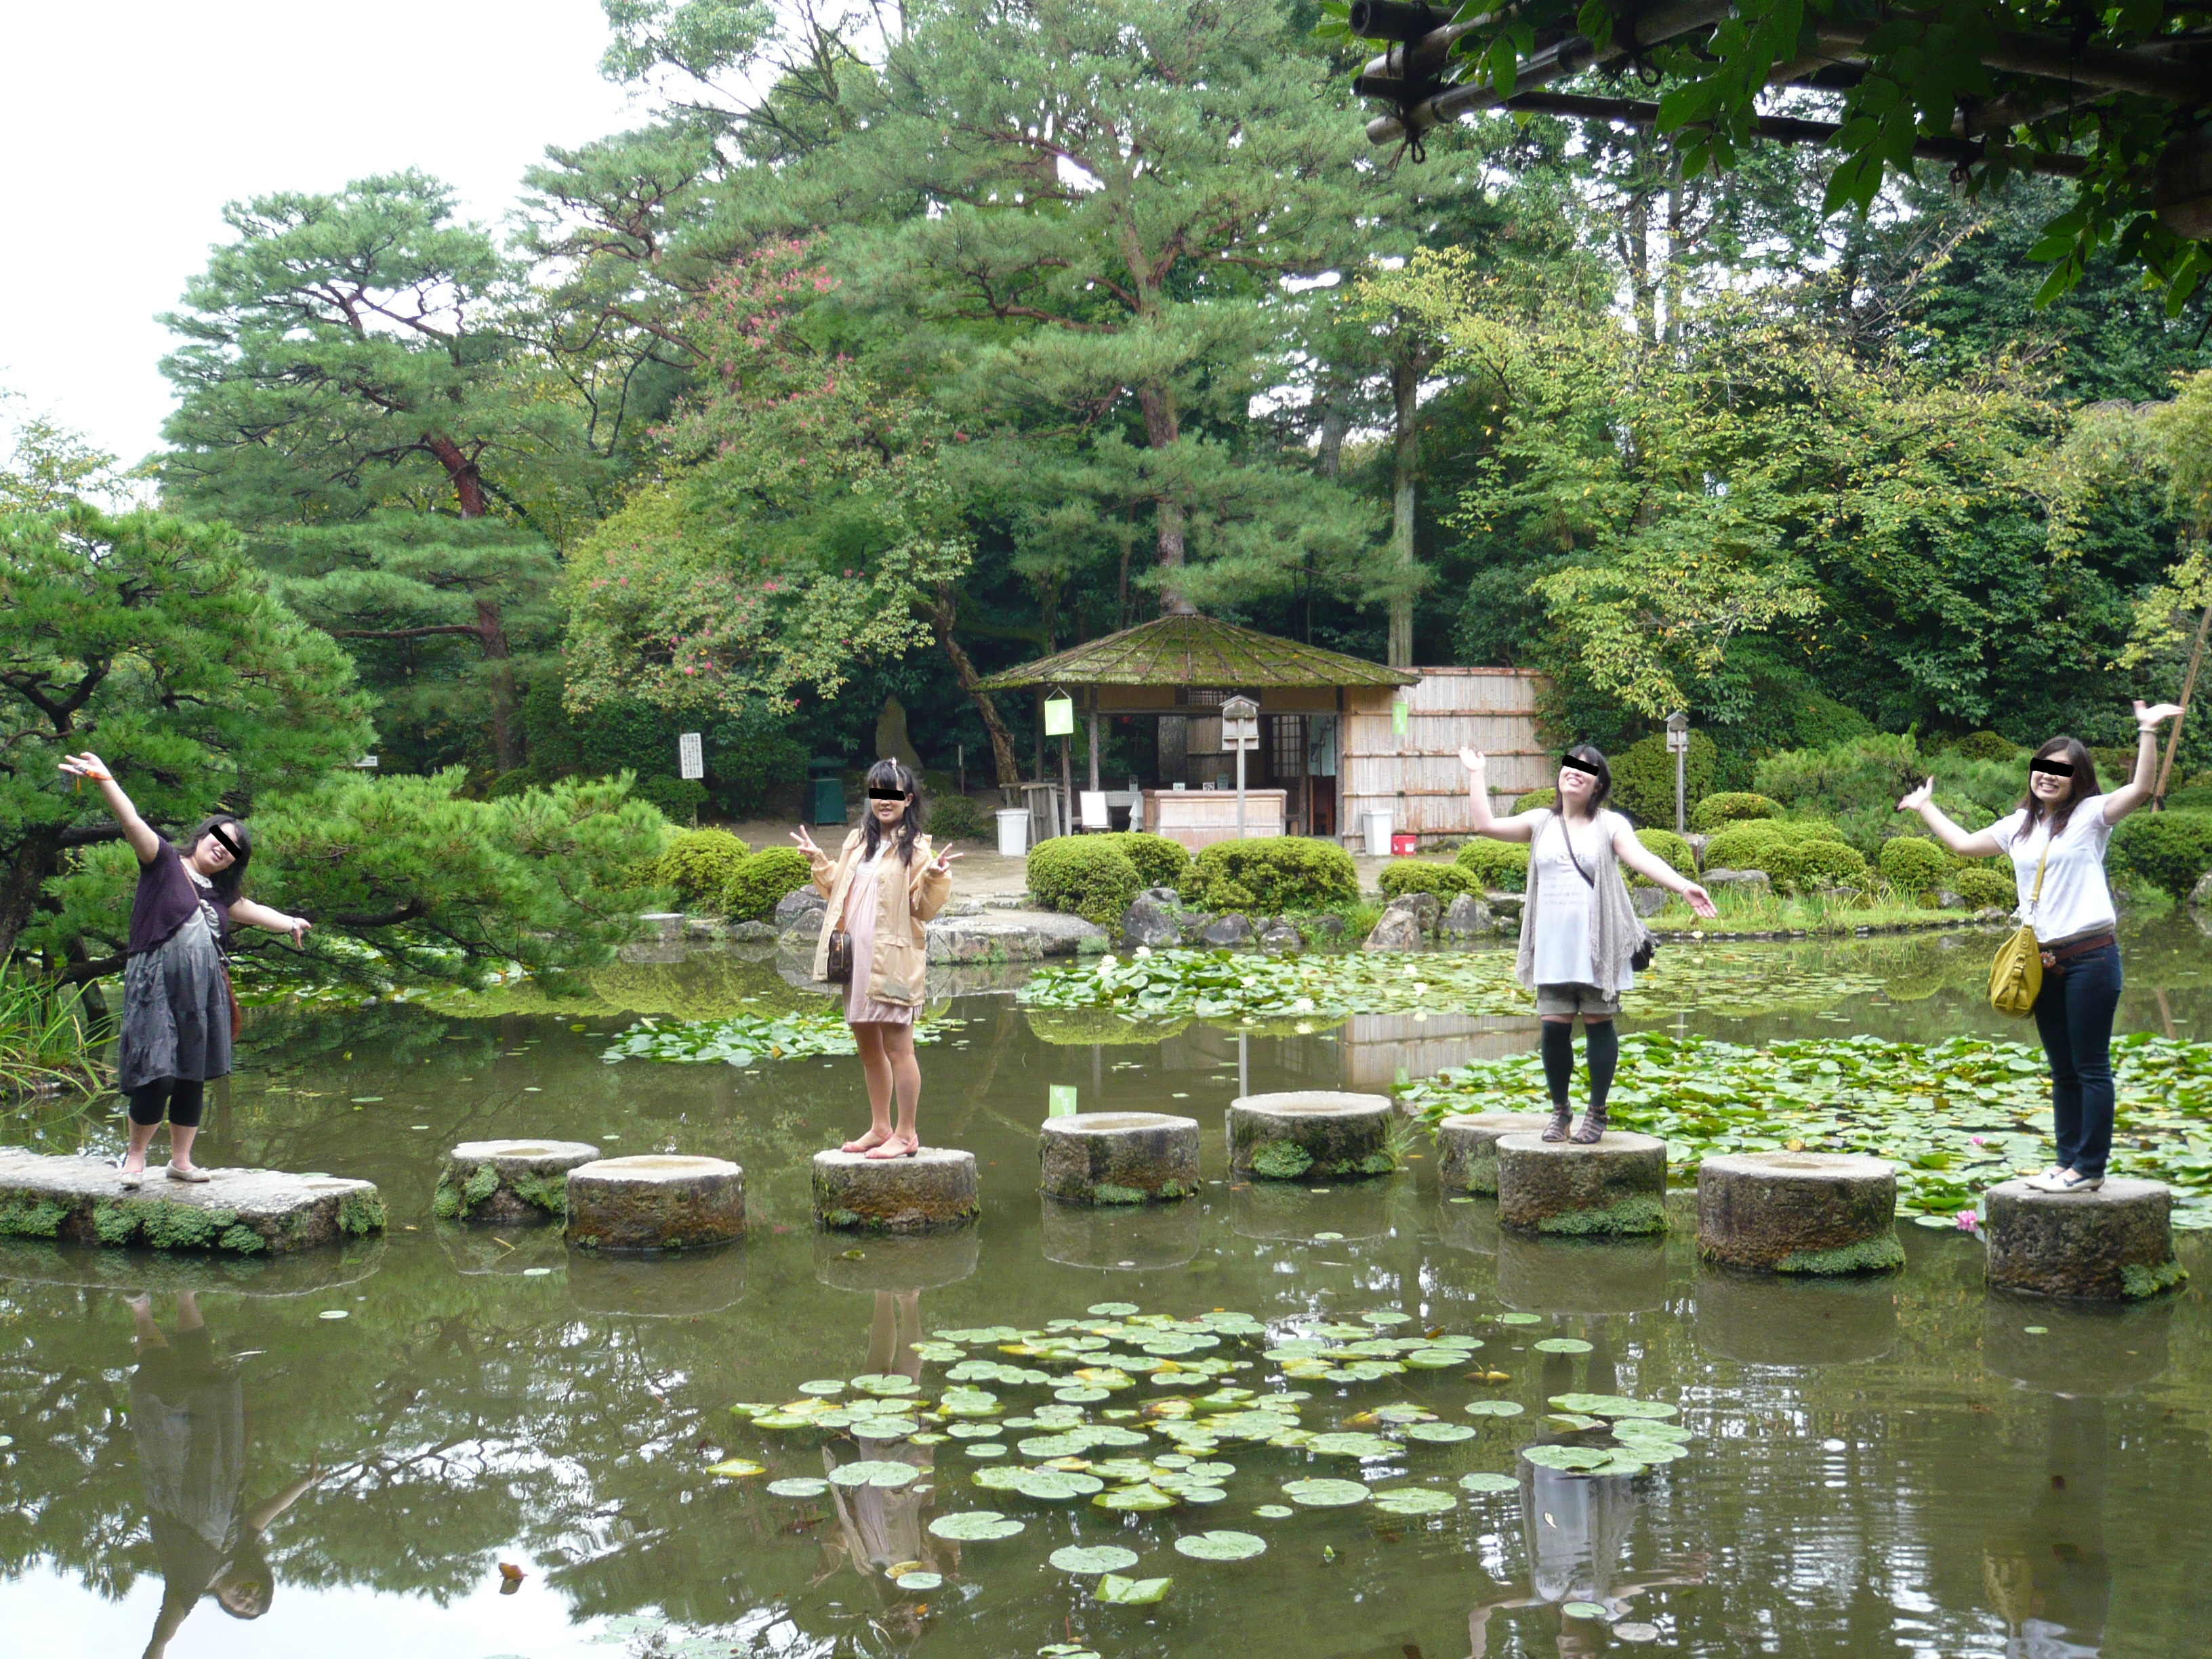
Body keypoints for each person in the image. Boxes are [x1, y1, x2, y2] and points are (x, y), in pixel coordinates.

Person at [1898, 701, 2182, 1193]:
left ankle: (2090, 1167)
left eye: (2062, 771)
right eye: (2043, 767)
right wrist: (1925, 807)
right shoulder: (2018, 826)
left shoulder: (2093, 816)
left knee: (2091, 1067)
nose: (2049, 776)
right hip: (2042, 962)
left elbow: (2140, 789)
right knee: (2062, 1068)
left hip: (2091, 957)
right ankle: (2066, 1160)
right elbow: (1964, 845)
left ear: (2077, 779)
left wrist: (2147, 730)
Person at [58, 754, 310, 1187]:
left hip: (202, 991)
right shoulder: (163, 863)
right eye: (219, 837)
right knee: (159, 1071)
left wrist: (291, 923)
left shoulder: (222, 894)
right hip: (154, 984)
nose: (222, 847)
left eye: (232, 848)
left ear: (233, 861)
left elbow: (253, 910)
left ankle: (181, 1161)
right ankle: (135, 1159)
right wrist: (107, 782)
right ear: (203, 835)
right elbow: (133, 822)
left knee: (193, 1074)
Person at [1460, 745, 1717, 1143]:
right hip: (1552, 944)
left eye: (1587, 769)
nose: (1575, 772)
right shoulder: (1540, 821)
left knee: (1599, 1023)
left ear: (1598, 784)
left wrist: (1684, 886)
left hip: (1598, 943)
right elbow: (1486, 826)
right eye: (1571, 765)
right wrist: (1477, 773)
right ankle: (1560, 1112)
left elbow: (1640, 858)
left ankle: (1597, 1112)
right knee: (1552, 1028)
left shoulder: (1610, 825)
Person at [127, 1290, 321, 1658]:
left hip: (174, 1473)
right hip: (217, 1455)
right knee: (202, 1375)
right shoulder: (241, 1548)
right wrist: (304, 1483)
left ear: (224, 1603)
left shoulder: (190, 1585)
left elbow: (163, 1635)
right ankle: (185, 1298)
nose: (249, 1598)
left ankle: (141, 1312)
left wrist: (155, 1650)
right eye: (257, 1597)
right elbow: (267, 1513)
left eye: (243, 1606)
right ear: (262, 1580)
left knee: (162, 1387)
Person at [793, 760, 960, 1160]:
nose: (884, 801)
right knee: (868, 1049)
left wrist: (936, 874)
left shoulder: (917, 849)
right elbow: (839, 891)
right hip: (856, 956)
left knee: (899, 1048)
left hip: (893, 958)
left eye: (893, 793)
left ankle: (906, 1134)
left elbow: (922, 908)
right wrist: (819, 859)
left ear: (908, 799)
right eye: (877, 792)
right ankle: (880, 1126)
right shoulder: (856, 841)